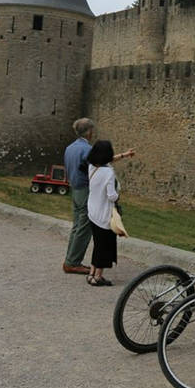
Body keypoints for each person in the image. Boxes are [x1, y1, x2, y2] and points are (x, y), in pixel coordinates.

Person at [62, 118, 134, 275]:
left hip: (75, 190)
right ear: (90, 132)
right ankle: (73, 262)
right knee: (83, 229)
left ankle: (70, 259)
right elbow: (103, 161)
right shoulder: (87, 150)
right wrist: (124, 155)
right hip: (85, 191)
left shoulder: (70, 148)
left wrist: (123, 155)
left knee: (77, 227)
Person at [86, 140, 122, 287]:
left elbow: (108, 161)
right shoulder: (108, 172)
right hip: (103, 214)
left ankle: (91, 273)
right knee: (104, 246)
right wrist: (118, 196)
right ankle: (98, 277)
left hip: (92, 211)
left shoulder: (91, 167)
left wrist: (124, 155)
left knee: (97, 244)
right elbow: (111, 195)